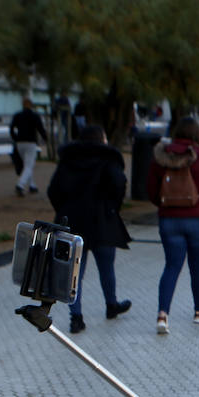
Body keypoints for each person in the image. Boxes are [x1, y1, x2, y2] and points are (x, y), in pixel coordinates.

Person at [47, 124, 133, 334]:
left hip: (73, 222)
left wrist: (63, 210)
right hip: (102, 221)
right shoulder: (108, 159)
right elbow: (119, 183)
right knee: (107, 267)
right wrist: (112, 207)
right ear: (102, 139)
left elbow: (53, 190)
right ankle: (111, 305)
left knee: (74, 272)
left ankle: (76, 317)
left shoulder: (68, 159)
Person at [147, 116, 199, 334]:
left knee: (171, 266)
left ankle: (163, 314)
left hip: (169, 219)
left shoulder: (160, 157)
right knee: (197, 265)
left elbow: (152, 191)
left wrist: (166, 205)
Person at [9, 97, 48, 197]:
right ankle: (20, 185)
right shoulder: (35, 116)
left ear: (22, 105)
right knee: (29, 165)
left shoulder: (17, 115)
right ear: (31, 105)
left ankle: (32, 185)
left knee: (27, 165)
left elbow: (11, 128)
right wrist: (46, 138)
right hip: (31, 142)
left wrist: (15, 138)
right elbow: (40, 128)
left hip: (19, 143)